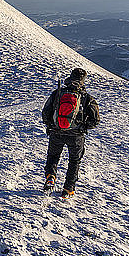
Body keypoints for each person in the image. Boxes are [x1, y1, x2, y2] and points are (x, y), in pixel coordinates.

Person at [41, 68, 99, 199]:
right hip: (76, 136)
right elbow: (95, 120)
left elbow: (46, 112)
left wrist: (51, 125)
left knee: (53, 156)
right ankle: (68, 189)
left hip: (57, 132)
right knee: (74, 161)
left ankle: (51, 176)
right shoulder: (86, 97)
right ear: (83, 80)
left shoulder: (58, 93)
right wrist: (83, 126)